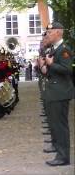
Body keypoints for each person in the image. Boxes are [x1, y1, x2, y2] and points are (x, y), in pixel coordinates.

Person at [38, 22, 74, 166]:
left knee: (60, 126)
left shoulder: (64, 49)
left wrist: (51, 64)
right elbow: (50, 71)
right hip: (54, 92)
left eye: (50, 32)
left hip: (60, 92)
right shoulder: (54, 49)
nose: (48, 34)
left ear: (59, 32)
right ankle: (60, 153)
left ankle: (63, 157)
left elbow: (67, 70)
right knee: (56, 124)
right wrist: (45, 66)